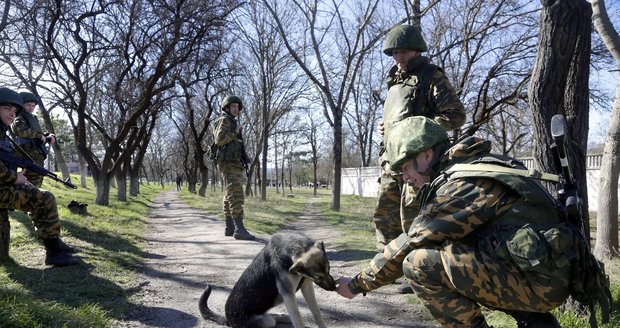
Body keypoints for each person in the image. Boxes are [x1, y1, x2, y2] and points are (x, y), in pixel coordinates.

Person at [336, 116, 576, 327]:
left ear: (426, 155)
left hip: (541, 282)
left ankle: (532, 316)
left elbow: (412, 240)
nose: (406, 178)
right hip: (541, 273)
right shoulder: (473, 166)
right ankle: (535, 321)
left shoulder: (461, 184)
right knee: (453, 251)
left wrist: (358, 284)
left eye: (406, 168)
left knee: (419, 263)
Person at [373, 24, 466, 293]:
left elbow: (455, 115)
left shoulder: (430, 76)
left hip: (418, 162)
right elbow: (398, 117)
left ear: (416, 50)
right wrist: (386, 127)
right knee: (384, 216)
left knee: (413, 220)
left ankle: (416, 272)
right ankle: (387, 268)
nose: (397, 57)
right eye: (393, 53)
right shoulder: (394, 81)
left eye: (401, 51)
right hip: (391, 159)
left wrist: (418, 127)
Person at [0, 87, 80, 266]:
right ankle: (53, 251)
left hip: (4, 185)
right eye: (7, 109)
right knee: (44, 198)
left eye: (14, 111)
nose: (12, 114)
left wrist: (18, 174)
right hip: (4, 186)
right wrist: (14, 178)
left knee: (2, 258)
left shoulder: (4, 135)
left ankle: (54, 244)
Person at [212, 95, 254, 241]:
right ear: (227, 108)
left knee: (229, 193)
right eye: (233, 106)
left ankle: (229, 227)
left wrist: (246, 157)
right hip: (228, 163)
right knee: (236, 193)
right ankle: (239, 229)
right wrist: (234, 132)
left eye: (237, 107)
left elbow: (237, 144)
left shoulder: (232, 121)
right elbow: (219, 140)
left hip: (234, 162)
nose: (236, 109)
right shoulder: (224, 120)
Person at [11, 91, 56, 188]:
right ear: (22, 105)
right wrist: (40, 136)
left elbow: (34, 134)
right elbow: (20, 131)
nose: (31, 108)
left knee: (36, 185)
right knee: (30, 187)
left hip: (36, 158)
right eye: (28, 105)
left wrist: (48, 135)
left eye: (33, 105)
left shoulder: (31, 118)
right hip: (28, 157)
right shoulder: (19, 117)